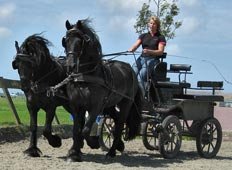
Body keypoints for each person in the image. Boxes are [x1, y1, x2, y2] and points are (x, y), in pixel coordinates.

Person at [128, 16, 166, 96]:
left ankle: (141, 96)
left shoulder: (160, 37)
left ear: (157, 26)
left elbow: (160, 52)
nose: (152, 25)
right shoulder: (143, 36)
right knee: (132, 73)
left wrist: (149, 51)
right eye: (151, 23)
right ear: (148, 24)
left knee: (142, 74)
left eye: (154, 24)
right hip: (142, 58)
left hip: (153, 60)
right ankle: (129, 94)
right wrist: (132, 49)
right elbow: (136, 45)